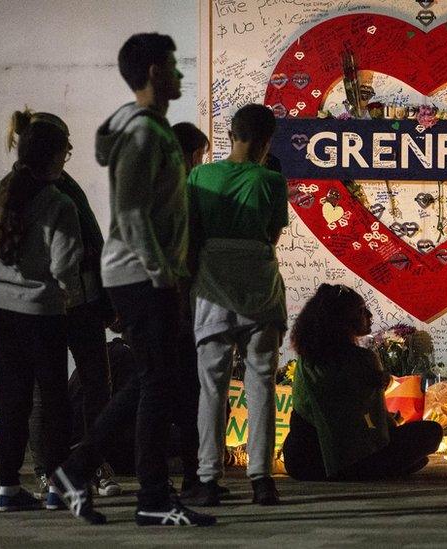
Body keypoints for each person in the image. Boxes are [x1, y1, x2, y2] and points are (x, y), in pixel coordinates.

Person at [53, 32, 215, 527]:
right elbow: (130, 209)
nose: (180, 73)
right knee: (155, 383)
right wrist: (163, 273)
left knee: (152, 382)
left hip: (143, 275)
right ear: (152, 73)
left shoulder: (147, 128)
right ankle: (130, 487)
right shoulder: (145, 135)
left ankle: (101, 477)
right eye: (172, 64)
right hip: (142, 276)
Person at [6, 111, 122, 503]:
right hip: (58, 303)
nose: (70, 152)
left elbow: (91, 245)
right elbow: (69, 254)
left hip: (78, 301)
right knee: (47, 389)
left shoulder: (60, 186)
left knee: (90, 384)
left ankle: (88, 463)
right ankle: (49, 471)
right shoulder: (27, 191)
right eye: (65, 145)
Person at [184, 104, 288, 506]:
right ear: (266, 142)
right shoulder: (272, 181)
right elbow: (271, 236)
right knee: (261, 381)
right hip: (258, 286)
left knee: (211, 386)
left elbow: (191, 235)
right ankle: (262, 479)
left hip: (212, 283)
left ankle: (208, 478)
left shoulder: (199, 176)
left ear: (232, 134)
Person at [0, 118, 81, 513]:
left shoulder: (1, 195)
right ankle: (57, 489)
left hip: (0, 313)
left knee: (12, 404)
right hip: (42, 315)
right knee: (54, 403)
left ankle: (8, 489)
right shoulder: (59, 203)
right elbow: (64, 265)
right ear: (54, 157)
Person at [281, 284, 443, 481]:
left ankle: (386, 466)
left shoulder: (305, 360)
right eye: (361, 311)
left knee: (414, 453)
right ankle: (376, 469)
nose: (369, 315)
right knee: (432, 432)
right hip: (348, 460)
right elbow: (376, 427)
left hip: (300, 462)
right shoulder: (361, 359)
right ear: (343, 320)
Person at [169, 120, 210, 499]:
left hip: (163, 305)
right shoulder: (182, 193)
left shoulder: (154, 188)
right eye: (200, 156)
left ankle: (180, 478)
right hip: (177, 307)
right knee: (184, 396)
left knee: (167, 394)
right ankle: (190, 477)